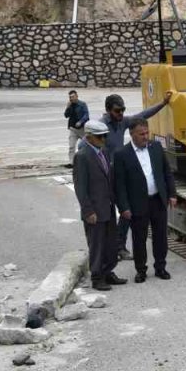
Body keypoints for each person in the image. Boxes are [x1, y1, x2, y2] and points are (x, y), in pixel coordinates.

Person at [101, 90, 174, 260]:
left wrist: (163, 103)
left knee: (128, 212)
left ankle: (119, 245)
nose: (121, 114)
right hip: (108, 174)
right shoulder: (102, 126)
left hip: (122, 171)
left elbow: (143, 116)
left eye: (123, 110)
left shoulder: (122, 122)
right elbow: (86, 144)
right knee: (112, 213)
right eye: (117, 111)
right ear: (108, 110)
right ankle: (110, 248)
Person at [114, 118, 178, 283]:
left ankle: (160, 267)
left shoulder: (156, 147)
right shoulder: (122, 154)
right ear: (132, 134)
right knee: (139, 238)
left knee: (160, 236)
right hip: (137, 203)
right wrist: (123, 208)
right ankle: (141, 270)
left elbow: (166, 172)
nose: (145, 136)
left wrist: (172, 194)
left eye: (147, 133)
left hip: (158, 200)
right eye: (141, 134)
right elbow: (119, 185)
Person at [73, 120, 128, 292]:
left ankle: (108, 271)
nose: (104, 139)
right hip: (94, 211)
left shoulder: (102, 152)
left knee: (111, 243)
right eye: (100, 137)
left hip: (108, 206)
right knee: (97, 245)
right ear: (89, 137)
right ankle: (97, 277)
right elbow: (80, 187)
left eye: (105, 136)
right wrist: (88, 210)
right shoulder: (82, 156)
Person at [63, 90, 89, 166]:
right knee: (71, 146)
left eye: (73, 97)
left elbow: (86, 115)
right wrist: (67, 107)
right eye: (70, 97)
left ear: (77, 96)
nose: (72, 98)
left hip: (82, 129)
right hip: (73, 129)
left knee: (86, 145)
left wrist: (81, 121)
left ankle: (87, 160)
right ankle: (72, 162)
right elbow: (66, 115)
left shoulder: (82, 104)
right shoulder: (70, 105)